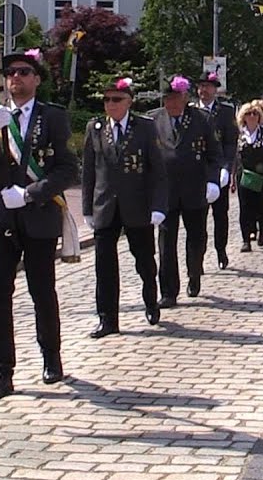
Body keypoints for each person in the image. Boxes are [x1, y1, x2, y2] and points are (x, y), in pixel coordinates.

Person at [0, 50, 79, 401]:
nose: (16, 78)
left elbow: (67, 169)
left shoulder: (52, 117)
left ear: (36, 79)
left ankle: (51, 357)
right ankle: (1, 371)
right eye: (10, 72)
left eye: (24, 71)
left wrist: (30, 193)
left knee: (42, 291)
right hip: (1, 218)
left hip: (38, 216)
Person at [82, 76, 168, 337]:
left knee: (144, 260)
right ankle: (107, 319)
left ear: (129, 101)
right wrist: (87, 208)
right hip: (106, 205)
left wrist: (158, 205)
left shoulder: (145, 127)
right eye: (107, 100)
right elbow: (89, 171)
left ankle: (151, 300)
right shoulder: (95, 127)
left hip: (137, 205)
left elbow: (157, 170)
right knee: (104, 266)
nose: (111, 104)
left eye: (116, 99)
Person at [152, 75, 222, 307]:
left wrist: (213, 180)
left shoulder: (201, 119)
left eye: (175, 98)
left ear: (184, 98)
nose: (170, 103)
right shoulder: (154, 120)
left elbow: (214, 154)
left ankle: (194, 272)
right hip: (166, 191)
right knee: (166, 242)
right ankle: (168, 291)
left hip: (195, 188)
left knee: (197, 237)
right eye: (167, 99)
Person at [194, 71, 238, 269]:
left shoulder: (226, 112)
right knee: (198, 217)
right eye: (201, 86)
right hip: (198, 171)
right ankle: (198, 257)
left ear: (215, 89)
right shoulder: (192, 111)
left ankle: (221, 249)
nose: (204, 90)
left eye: (208, 86)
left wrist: (226, 167)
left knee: (220, 214)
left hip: (218, 169)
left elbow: (230, 142)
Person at [234, 100, 263, 251]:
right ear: (243, 117)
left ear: (259, 117)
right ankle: (246, 239)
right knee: (245, 207)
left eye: (255, 113)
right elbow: (234, 157)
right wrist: (232, 177)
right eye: (248, 113)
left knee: (262, 205)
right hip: (243, 174)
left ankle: (262, 230)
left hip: (260, 173)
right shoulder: (239, 134)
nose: (252, 116)